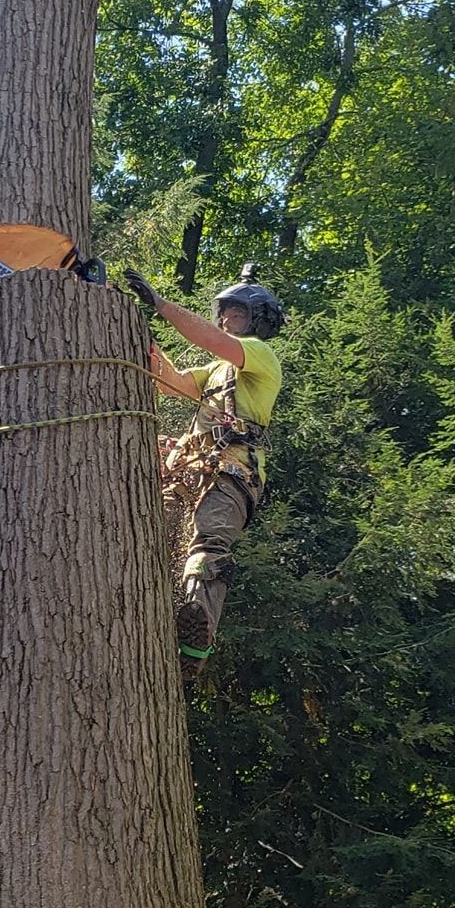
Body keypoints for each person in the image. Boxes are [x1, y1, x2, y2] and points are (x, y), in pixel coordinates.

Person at [124, 263, 285, 673]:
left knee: (207, 541)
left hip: (231, 472)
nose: (226, 319)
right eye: (224, 312)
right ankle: (144, 616)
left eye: (237, 313)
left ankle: (196, 637)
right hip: (188, 471)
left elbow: (212, 340)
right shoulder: (215, 372)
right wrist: (132, 323)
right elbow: (169, 380)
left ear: (257, 321)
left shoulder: (261, 357)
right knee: (147, 540)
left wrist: (161, 304)